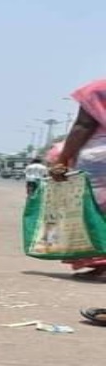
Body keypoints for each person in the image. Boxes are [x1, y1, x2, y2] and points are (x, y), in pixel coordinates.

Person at [47, 79, 106, 278]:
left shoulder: (98, 89)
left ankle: (101, 263)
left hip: (100, 158)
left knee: (94, 211)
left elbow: (84, 125)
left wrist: (62, 159)